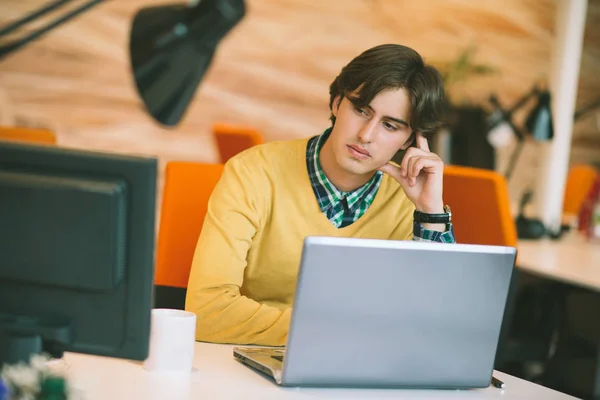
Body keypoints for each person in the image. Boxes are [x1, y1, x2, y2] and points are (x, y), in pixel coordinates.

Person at [185, 43, 455, 346]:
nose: (366, 135)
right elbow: (207, 313)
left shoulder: (408, 203)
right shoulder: (252, 172)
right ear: (337, 103)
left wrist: (430, 213)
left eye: (390, 126)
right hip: (248, 363)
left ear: (410, 140)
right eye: (361, 110)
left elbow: (437, 326)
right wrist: (340, 331)